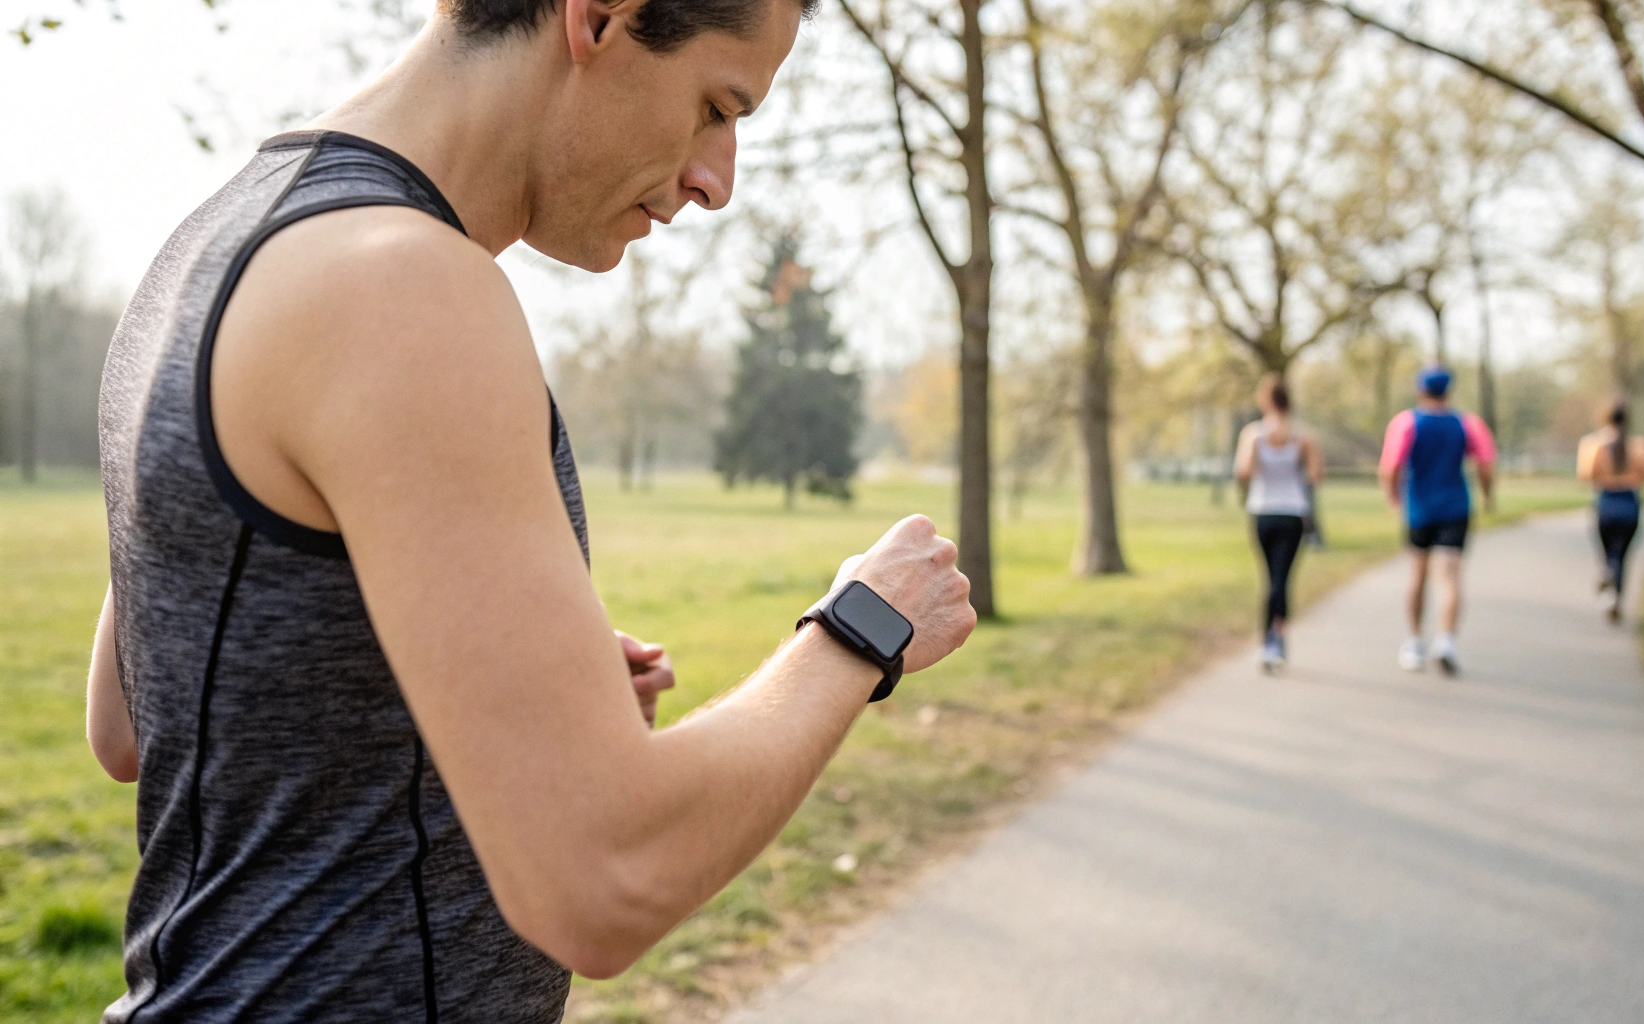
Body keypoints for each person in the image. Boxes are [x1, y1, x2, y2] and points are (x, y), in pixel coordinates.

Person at [84, 2, 976, 1021]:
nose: (716, 181)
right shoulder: (402, 288)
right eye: (715, 107)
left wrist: (518, 705)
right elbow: (605, 880)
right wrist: (859, 628)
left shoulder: (220, 241)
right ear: (600, 17)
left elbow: (133, 724)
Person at [1378, 366, 1497, 676]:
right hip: (1456, 507)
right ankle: (1446, 642)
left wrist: (1393, 496)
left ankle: (1415, 642)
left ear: (1420, 391)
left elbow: (1391, 467)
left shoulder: (1406, 423)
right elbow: (1485, 463)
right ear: (1449, 392)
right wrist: (1487, 495)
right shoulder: (1468, 424)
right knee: (1450, 577)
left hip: (1419, 509)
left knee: (1417, 575)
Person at [1235, 374, 1325, 671]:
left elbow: (1244, 472)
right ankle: (1277, 638)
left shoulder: (1253, 434)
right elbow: (1315, 477)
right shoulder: (1303, 435)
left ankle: (1268, 642)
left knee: (1270, 578)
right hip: (1292, 512)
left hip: (1263, 511)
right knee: (1281, 578)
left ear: (1265, 400)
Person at [1577, 400, 1644, 623]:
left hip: (1606, 502)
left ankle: (1608, 578)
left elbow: (1585, 475)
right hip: (1629, 502)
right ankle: (1616, 598)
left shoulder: (1594, 445)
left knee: (1608, 554)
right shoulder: (1639, 446)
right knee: (1621, 554)